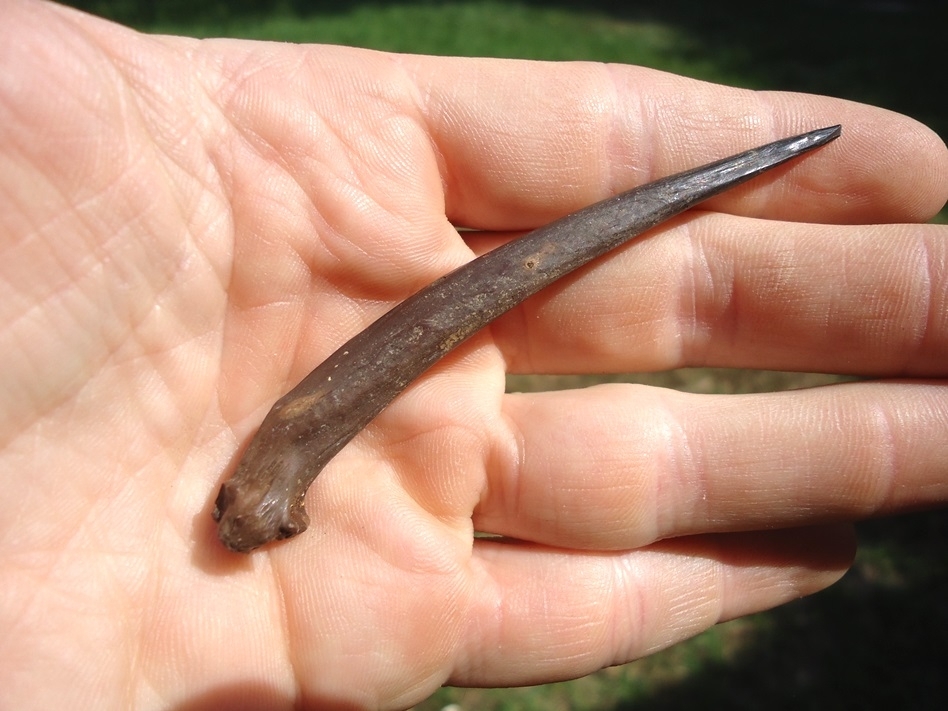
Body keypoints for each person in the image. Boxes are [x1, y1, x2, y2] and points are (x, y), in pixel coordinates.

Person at [1, 1, 946, 709]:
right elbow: (283, 461)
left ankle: (748, 163)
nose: (259, 517)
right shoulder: (270, 468)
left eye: (256, 509)